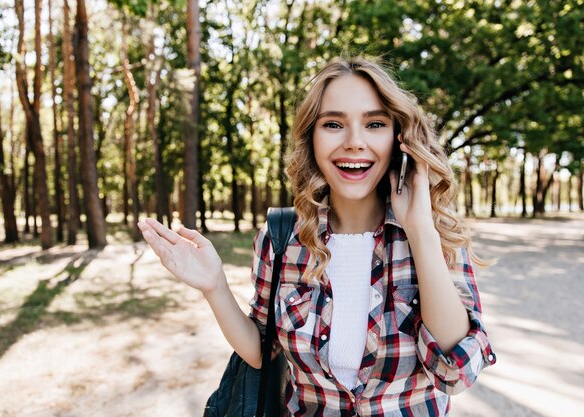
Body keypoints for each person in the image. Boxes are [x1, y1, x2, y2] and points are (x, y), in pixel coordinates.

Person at [138, 56, 496, 416]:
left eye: (374, 123)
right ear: (312, 137)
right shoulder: (282, 239)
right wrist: (214, 285)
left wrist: (419, 230)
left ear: (398, 138)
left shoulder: (436, 234)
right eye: (333, 124)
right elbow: (263, 352)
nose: (355, 142)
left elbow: (456, 374)